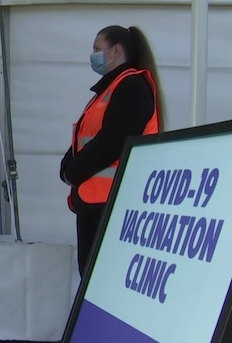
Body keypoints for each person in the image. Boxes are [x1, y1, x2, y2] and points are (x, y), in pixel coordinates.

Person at [59, 25, 164, 276]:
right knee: (92, 276)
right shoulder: (110, 89)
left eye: (97, 49)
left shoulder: (131, 87)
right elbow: (86, 138)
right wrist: (67, 168)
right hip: (96, 200)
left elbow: (113, 141)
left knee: (101, 277)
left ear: (116, 50)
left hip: (113, 201)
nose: (93, 55)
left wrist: (73, 172)